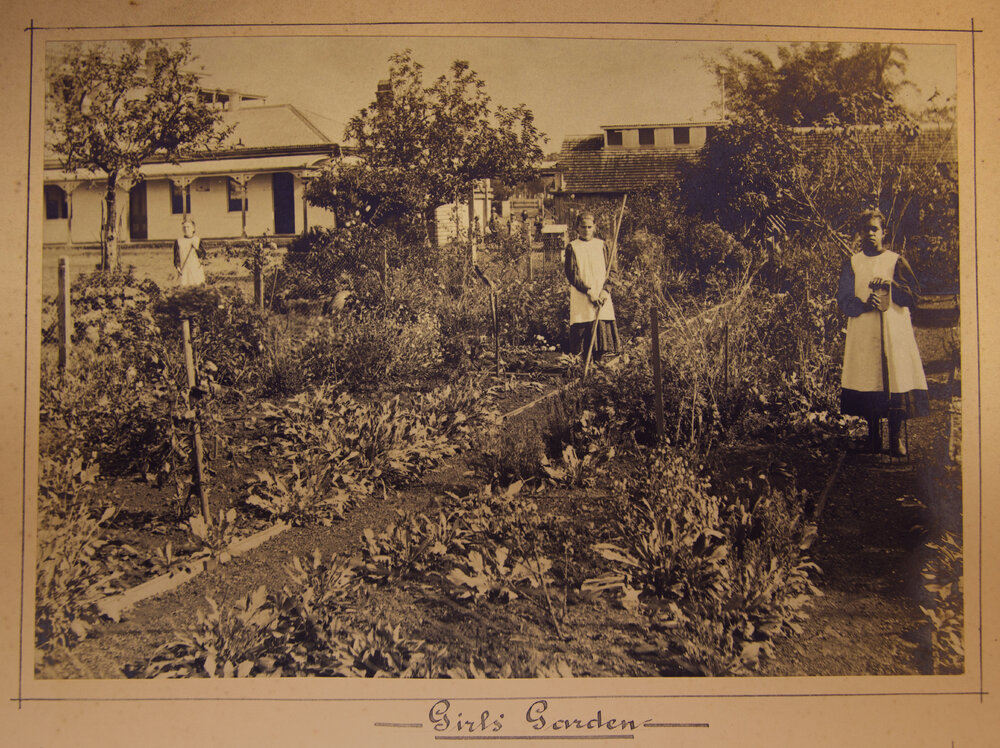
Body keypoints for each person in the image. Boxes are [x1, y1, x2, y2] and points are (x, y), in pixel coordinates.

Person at [837, 208, 929, 456]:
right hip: (864, 331)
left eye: (874, 229)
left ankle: (895, 439)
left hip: (894, 331)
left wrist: (891, 286)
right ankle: (874, 437)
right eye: (865, 229)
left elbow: (914, 296)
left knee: (895, 378)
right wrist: (865, 304)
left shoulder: (895, 260)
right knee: (870, 380)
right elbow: (843, 299)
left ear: (883, 232)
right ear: (860, 233)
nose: (870, 233)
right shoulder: (853, 263)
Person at [564, 212, 620, 360]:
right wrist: (589, 292)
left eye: (589, 227)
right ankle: (581, 367)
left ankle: (600, 366)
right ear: (577, 228)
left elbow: (612, 271)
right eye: (583, 227)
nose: (586, 230)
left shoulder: (602, 245)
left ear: (594, 227)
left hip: (602, 296)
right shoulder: (573, 247)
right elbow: (572, 275)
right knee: (582, 327)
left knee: (601, 328)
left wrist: (604, 292)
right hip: (583, 295)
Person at [173, 217, 206, 287]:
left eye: (188, 227)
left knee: (197, 286)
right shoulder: (179, 241)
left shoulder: (197, 240)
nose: (186, 229)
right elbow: (176, 256)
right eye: (184, 227)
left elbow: (203, 255)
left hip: (195, 268)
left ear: (193, 229)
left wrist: (196, 248)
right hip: (184, 268)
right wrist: (178, 267)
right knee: (185, 286)